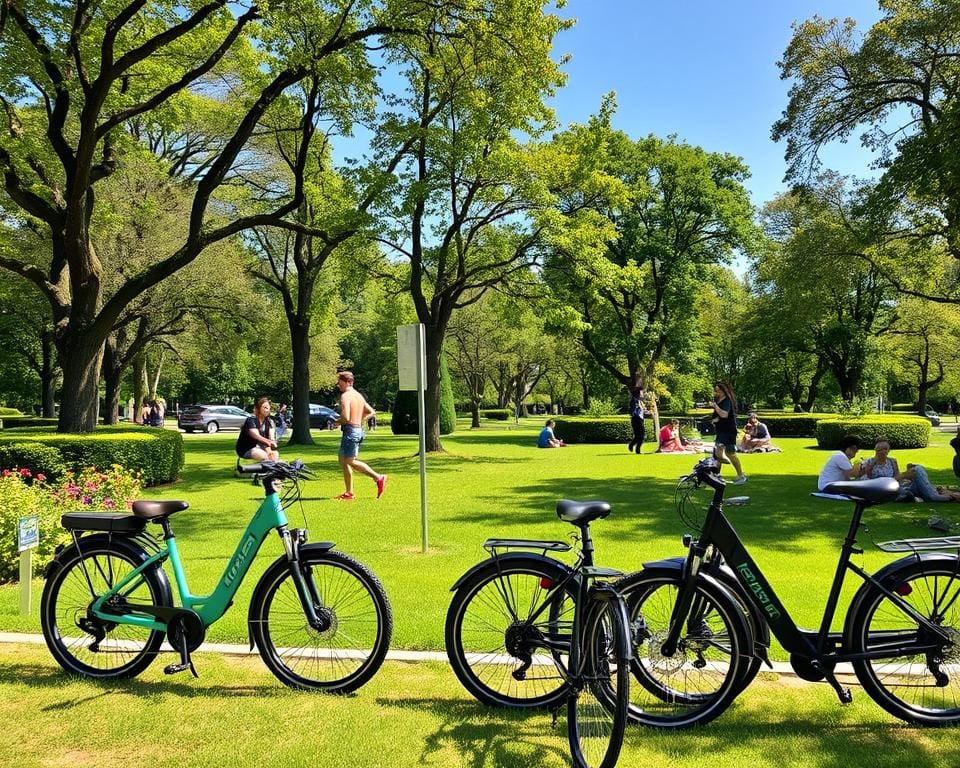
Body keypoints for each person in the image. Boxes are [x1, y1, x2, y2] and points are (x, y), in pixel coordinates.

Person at [334, 371, 386, 500]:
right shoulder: (358, 396)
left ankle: (378, 477)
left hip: (351, 431)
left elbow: (345, 417)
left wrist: (337, 421)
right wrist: (360, 419)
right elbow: (371, 411)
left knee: (349, 461)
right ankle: (349, 493)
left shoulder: (346, 396)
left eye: (339, 382)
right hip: (357, 430)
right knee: (343, 459)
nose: (337, 385)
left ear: (347, 382)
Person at [709, 381, 746, 484]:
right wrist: (715, 419)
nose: (715, 392)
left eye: (717, 390)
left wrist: (715, 406)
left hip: (728, 431)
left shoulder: (726, 401)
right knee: (718, 453)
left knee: (728, 454)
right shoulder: (720, 400)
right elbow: (721, 416)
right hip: (722, 430)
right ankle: (717, 475)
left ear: (723, 391)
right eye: (715, 390)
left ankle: (741, 476)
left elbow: (724, 414)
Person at [235, 397, 280, 462]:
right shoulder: (251, 420)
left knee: (275, 454)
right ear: (258, 408)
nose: (267, 410)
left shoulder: (270, 422)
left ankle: (272, 470)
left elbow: (271, 438)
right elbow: (257, 437)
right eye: (264, 408)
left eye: (268, 408)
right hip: (247, 449)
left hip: (262, 447)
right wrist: (269, 442)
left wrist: (270, 448)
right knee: (263, 456)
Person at [627, 386, 646, 454]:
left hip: (639, 419)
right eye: (641, 392)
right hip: (636, 419)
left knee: (639, 436)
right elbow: (633, 411)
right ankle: (637, 449)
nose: (642, 394)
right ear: (638, 394)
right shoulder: (634, 401)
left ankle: (632, 445)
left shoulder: (639, 401)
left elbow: (641, 410)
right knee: (641, 435)